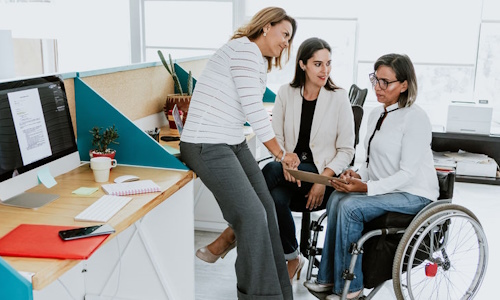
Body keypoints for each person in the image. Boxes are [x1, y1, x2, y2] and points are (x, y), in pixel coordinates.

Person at [195, 37, 356, 284]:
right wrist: (285, 162)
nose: (325, 70)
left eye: (328, 64)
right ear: (302, 65)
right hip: (288, 174)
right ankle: (293, 257)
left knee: (270, 169)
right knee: (276, 197)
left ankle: (231, 232)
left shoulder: (338, 97)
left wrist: (323, 180)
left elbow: (346, 150)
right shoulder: (286, 93)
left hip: (319, 180)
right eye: (318, 64)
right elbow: (275, 138)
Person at [179, 7, 299, 300]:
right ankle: (259, 296)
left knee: (267, 209)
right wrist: (281, 154)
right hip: (206, 144)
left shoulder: (255, 59)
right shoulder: (244, 51)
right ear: (267, 26)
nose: (286, 42)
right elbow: (253, 110)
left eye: (290, 39)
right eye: (284, 34)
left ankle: (280, 293)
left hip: (232, 142)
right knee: (252, 216)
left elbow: (246, 109)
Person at [304, 53, 439, 300]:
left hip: (415, 194)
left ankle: (351, 288)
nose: (377, 87)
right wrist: (355, 173)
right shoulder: (376, 113)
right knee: (335, 199)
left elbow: (408, 174)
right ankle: (327, 279)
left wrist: (365, 187)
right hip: (385, 190)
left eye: (385, 82)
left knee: (351, 207)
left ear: (404, 84)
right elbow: (368, 161)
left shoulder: (415, 118)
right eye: (375, 79)